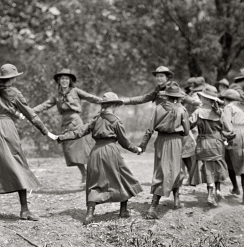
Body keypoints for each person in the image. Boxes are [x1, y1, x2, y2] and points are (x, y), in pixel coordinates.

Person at [0, 64, 57, 221]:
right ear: (13, 78)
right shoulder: (15, 93)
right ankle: (24, 210)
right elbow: (31, 115)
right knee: (18, 165)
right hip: (7, 129)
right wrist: (46, 131)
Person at [57, 92, 143, 225]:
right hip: (111, 151)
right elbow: (124, 142)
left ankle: (89, 215)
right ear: (114, 105)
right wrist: (136, 149)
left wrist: (61, 137)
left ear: (103, 105)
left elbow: (79, 132)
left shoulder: (95, 119)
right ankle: (123, 210)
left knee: (94, 182)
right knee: (123, 179)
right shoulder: (115, 121)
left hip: (95, 153)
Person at [33, 69, 102, 186]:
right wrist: (28, 112)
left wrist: (107, 101)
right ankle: (85, 174)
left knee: (82, 150)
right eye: (62, 79)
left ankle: (91, 176)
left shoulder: (75, 91)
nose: (64, 81)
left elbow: (91, 97)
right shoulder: (56, 96)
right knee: (71, 152)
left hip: (76, 123)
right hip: (65, 125)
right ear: (59, 81)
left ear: (70, 80)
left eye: (66, 78)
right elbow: (44, 106)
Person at [140, 83, 191, 219]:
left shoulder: (158, 108)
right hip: (176, 142)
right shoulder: (182, 110)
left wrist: (143, 145)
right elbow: (186, 131)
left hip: (161, 141)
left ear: (167, 96)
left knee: (160, 170)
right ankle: (176, 200)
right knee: (176, 169)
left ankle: (153, 206)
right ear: (178, 97)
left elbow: (149, 129)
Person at [188, 85, 228, 207]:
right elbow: (226, 128)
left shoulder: (198, 112)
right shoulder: (220, 112)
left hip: (203, 142)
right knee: (217, 165)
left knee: (207, 167)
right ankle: (218, 190)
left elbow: (188, 125)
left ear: (205, 99)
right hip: (217, 143)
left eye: (202, 97)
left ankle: (210, 191)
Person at [219, 89, 244, 205]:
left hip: (234, 133)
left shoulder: (228, 107)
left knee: (229, 161)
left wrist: (226, 137)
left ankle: (235, 187)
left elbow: (227, 123)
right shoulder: (241, 107)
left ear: (226, 99)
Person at [121, 66, 200, 107]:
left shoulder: (173, 87)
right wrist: (124, 101)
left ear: (167, 77)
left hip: (172, 121)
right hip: (161, 119)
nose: (159, 78)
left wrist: (197, 103)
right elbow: (143, 98)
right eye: (157, 76)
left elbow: (185, 97)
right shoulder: (157, 90)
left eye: (161, 76)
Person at [181, 76, 206, 185]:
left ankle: (193, 178)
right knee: (191, 153)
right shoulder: (195, 97)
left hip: (193, 126)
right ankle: (193, 177)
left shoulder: (195, 96)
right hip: (193, 125)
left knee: (190, 153)